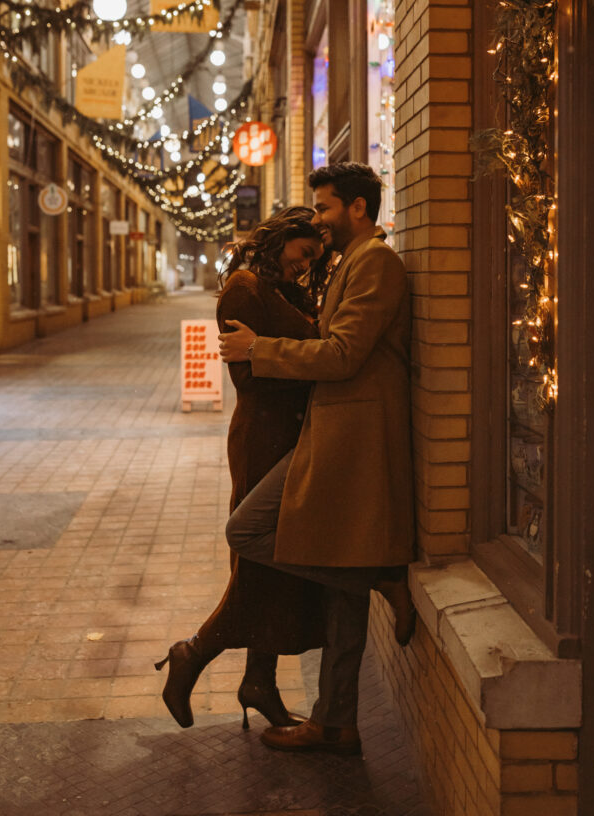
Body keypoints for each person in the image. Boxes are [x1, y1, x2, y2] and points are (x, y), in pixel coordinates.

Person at [219, 162, 416, 757]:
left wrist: (260, 349)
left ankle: (379, 579)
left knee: (246, 529)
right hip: (332, 432)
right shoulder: (349, 262)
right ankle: (335, 723)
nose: (321, 223)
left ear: (358, 208)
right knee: (340, 588)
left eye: (328, 208)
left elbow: (343, 354)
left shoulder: (376, 262)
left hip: (353, 436)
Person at [155, 207, 330, 729]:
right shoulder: (244, 288)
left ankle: (259, 680)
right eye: (303, 254)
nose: (306, 265)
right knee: (259, 558)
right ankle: (193, 653)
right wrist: (311, 366)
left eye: (314, 259)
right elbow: (249, 378)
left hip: (293, 435)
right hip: (262, 437)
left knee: (279, 557)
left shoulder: (281, 291)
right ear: (280, 240)